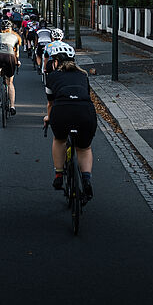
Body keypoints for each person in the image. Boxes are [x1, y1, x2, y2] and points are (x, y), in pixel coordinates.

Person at [42, 42, 95, 201]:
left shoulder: (51, 76)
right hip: (85, 112)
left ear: (56, 62)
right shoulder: (83, 75)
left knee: (59, 139)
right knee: (84, 148)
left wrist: (48, 117)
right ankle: (86, 180)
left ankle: (58, 174)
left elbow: (51, 103)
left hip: (62, 112)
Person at [0, 19, 22, 115]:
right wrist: (17, 62)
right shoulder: (15, 37)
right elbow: (16, 53)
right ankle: (12, 106)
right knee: (10, 83)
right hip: (10, 57)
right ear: (10, 29)